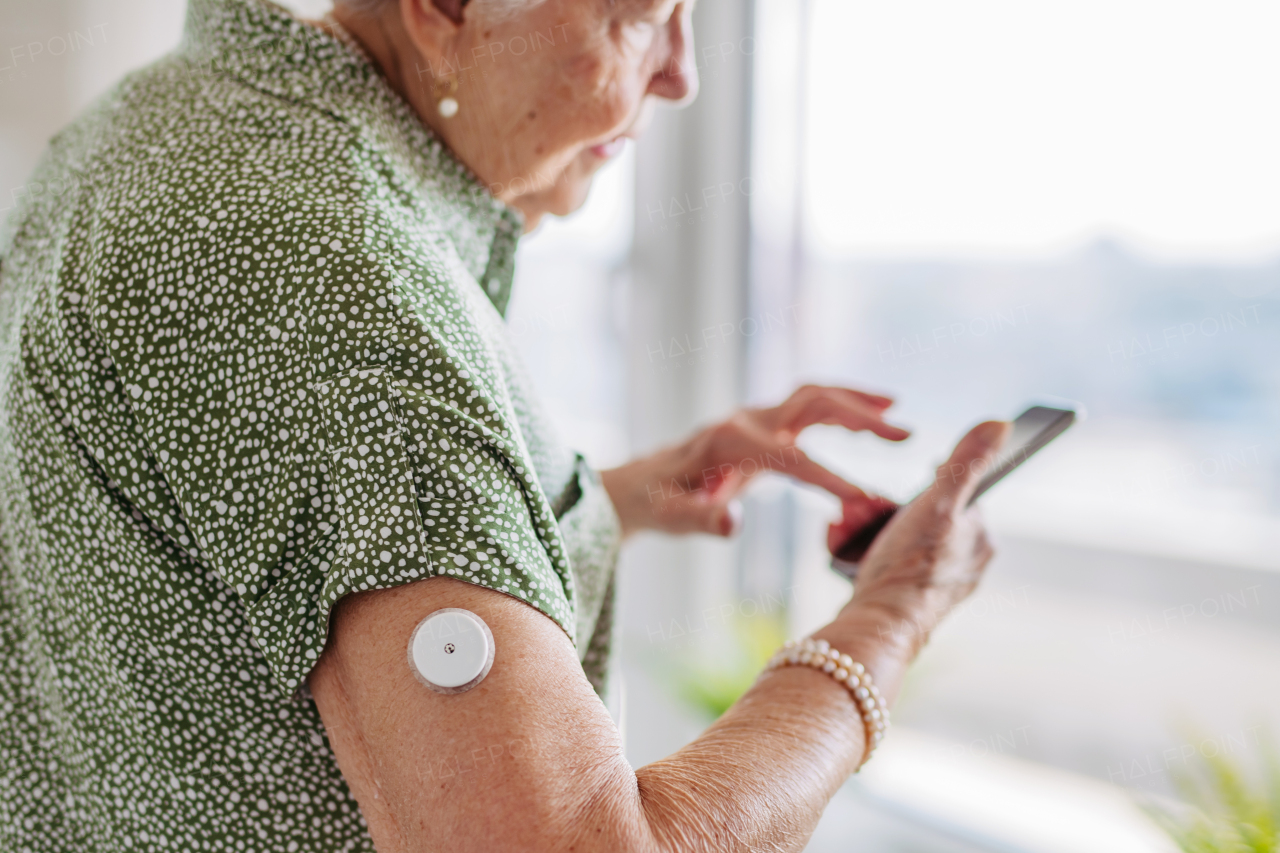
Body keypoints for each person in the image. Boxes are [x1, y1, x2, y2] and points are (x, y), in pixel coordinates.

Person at [0, 0, 1009, 849]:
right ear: (442, 6)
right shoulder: (332, 276)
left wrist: (593, 503)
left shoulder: (158, 126)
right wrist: (889, 614)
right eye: (643, 15)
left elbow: (208, 565)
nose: (680, 77)